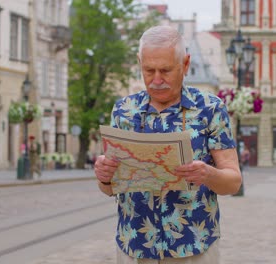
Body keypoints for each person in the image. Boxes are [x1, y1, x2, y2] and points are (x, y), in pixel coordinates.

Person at [94, 26, 242, 263]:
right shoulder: (123, 111)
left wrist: (207, 174)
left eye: (165, 70)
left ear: (185, 64)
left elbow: (233, 182)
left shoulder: (210, 108)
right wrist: (104, 176)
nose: (157, 80)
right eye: (148, 70)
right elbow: (110, 188)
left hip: (193, 247)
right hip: (135, 247)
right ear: (139, 62)